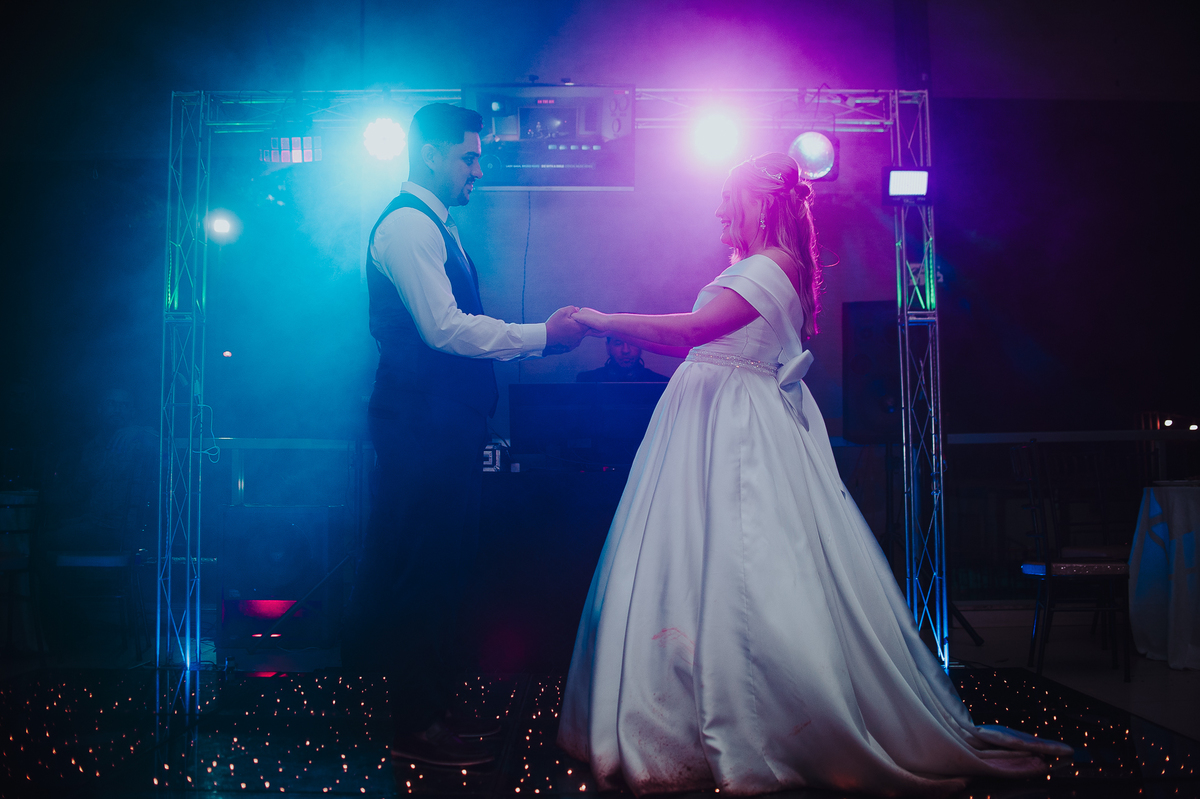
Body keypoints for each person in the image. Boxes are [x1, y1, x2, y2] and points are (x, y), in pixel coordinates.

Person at [558, 153, 1071, 796]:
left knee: (741, 565)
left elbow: (693, 332)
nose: (719, 211)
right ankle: (696, 713)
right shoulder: (762, 265)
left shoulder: (771, 266)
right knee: (698, 563)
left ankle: (754, 722)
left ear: (762, 201)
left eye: (729, 198)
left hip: (734, 430)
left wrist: (600, 321)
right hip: (710, 419)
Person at [342, 103, 586, 768]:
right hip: (419, 424)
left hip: (439, 424)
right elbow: (444, 329)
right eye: (468, 157)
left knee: (445, 568)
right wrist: (541, 336)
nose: (479, 170)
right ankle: (414, 727)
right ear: (430, 155)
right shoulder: (407, 225)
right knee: (425, 569)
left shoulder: (435, 226)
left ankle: (434, 710)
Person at [575, 337, 669, 383]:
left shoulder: (660, 383)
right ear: (608, 347)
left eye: (632, 343)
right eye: (618, 343)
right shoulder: (587, 381)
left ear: (641, 346)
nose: (625, 350)